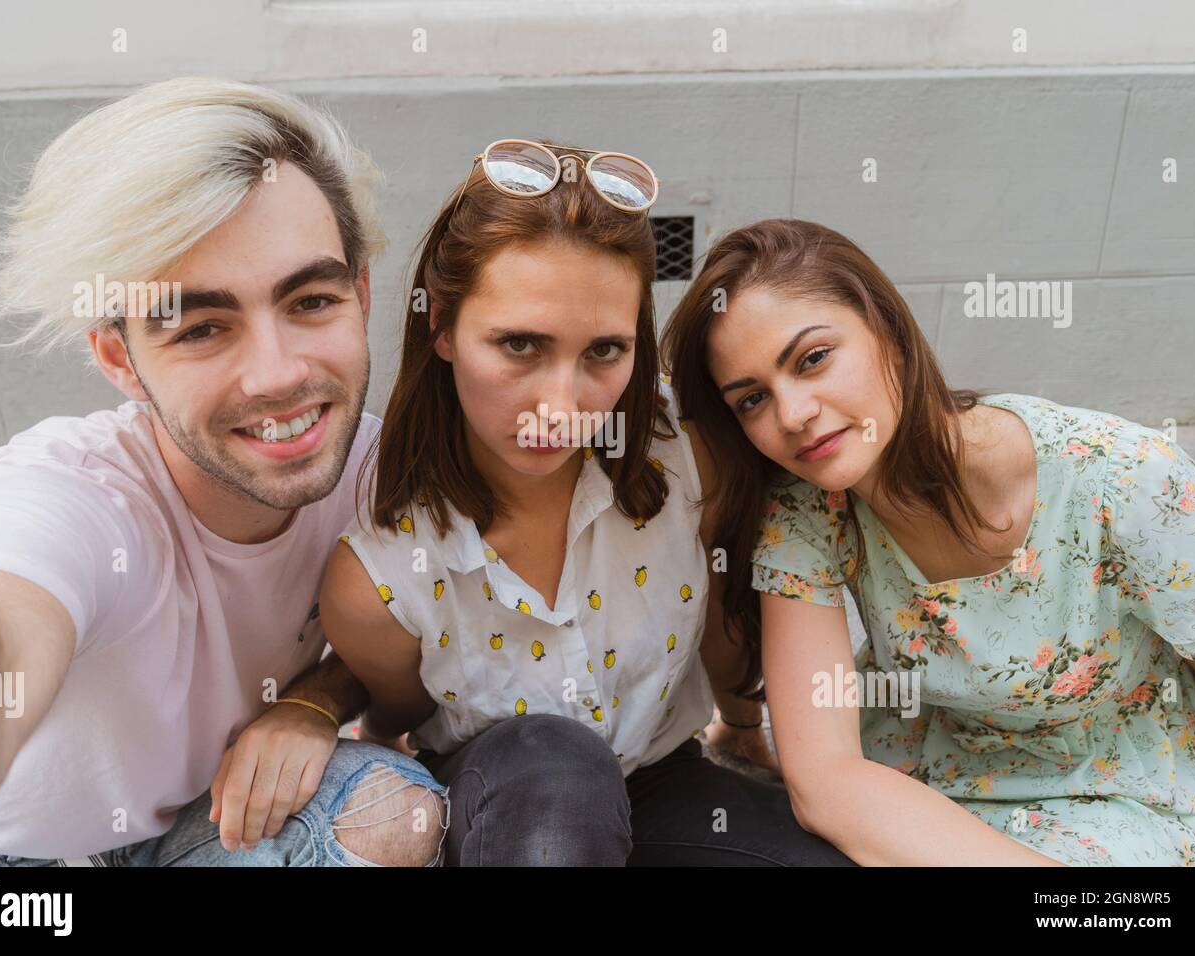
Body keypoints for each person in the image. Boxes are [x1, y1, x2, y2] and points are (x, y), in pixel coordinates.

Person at [0, 77, 447, 868]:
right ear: (118, 359)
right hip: (11, 875)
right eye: (203, 327)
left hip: (200, 831)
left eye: (309, 302)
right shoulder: (69, 493)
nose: (276, 375)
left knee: (391, 813)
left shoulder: (381, 473)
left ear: (360, 294)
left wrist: (314, 702)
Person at [319, 140, 855, 866]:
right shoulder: (377, 577)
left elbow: (723, 632)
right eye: (519, 345)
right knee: (559, 776)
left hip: (659, 782)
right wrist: (304, 710)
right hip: (499, 805)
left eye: (603, 351)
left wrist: (743, 722)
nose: (562, 404)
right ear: (441, 324)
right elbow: (394, 726)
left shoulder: (690, 465)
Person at [661, 217, 1195, 865]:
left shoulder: (1128, 480)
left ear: (890, 336)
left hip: (1127, 795)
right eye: (753, 398)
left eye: (813, 359)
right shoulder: (808, 510)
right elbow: (825, 779)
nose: (792, 415)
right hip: (919, 790)